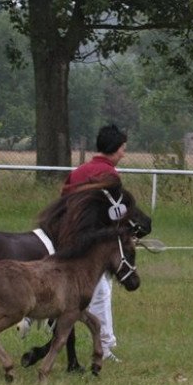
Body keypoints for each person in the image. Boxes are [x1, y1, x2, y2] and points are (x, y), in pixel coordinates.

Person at [61, 124, 128, 362]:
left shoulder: (78, 171)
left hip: (68, 241)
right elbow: (113, 213)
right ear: (114, 149)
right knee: (100, 293)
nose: (123, 153)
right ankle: (105, 346)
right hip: (92, 245)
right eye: (122, 148)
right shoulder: (110, 175)